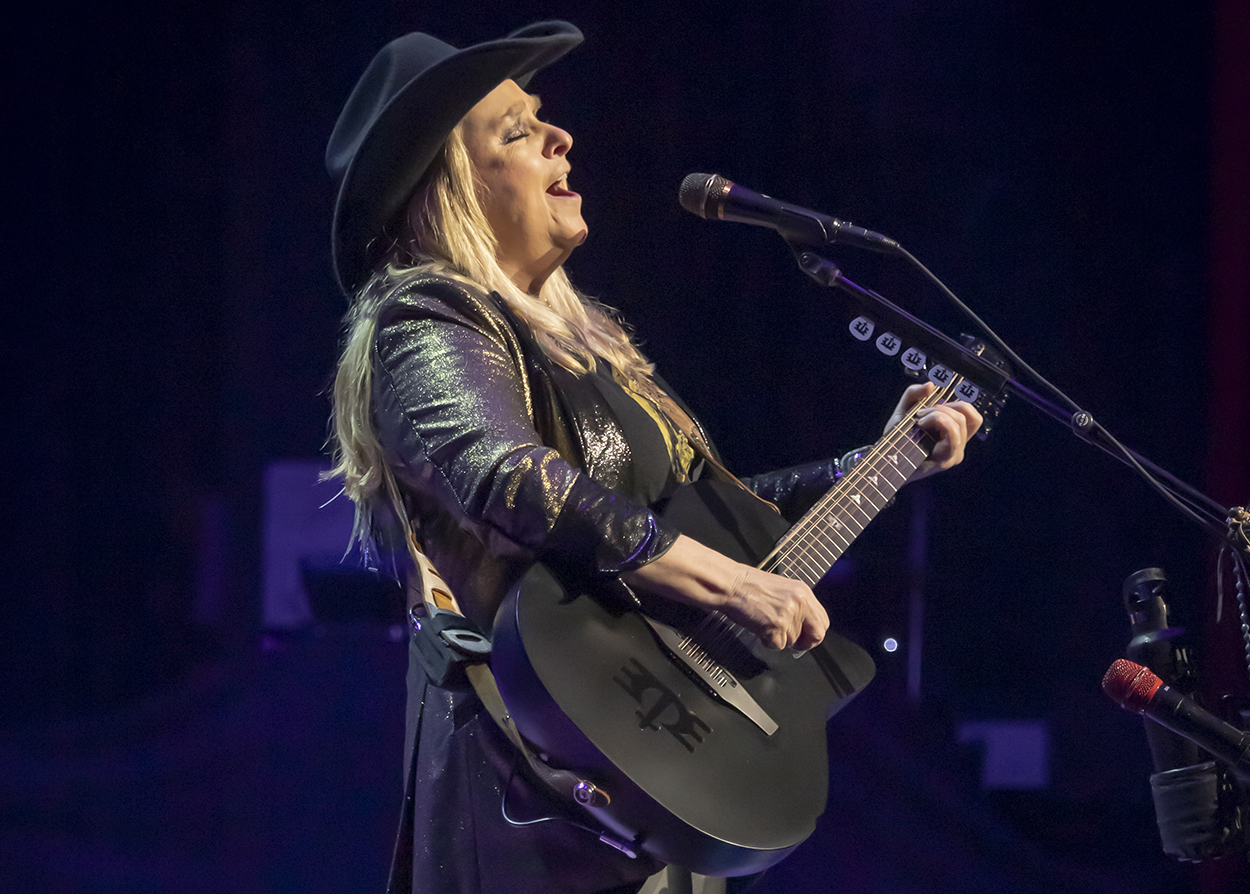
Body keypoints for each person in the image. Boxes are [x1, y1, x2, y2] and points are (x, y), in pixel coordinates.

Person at [324, 21, 982, 894]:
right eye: (517, 132)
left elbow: (720, 513)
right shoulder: (426, 319)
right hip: (537, 790)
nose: (561, 136)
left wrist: (882, 462)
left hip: (648, 775)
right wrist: (734, 585)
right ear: (450, 190)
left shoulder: (588, 353)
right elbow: (508, 474)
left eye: (542, 117)